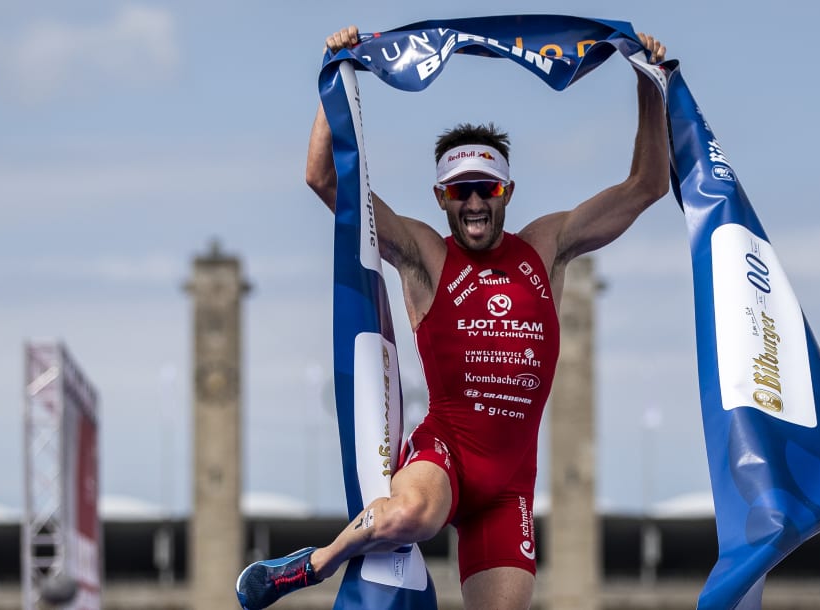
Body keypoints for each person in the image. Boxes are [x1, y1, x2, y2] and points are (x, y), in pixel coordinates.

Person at [237, 24, 669, 610]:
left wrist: (649, 81)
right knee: (412, 513)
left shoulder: (545, 246)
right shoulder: (426, 254)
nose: (473, 201)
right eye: (459, 190)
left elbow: (647, 184)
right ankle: (311, 565)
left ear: (507, 192)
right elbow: (324, 179)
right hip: (445, 456)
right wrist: (336, 74)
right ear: (441, 197)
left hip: (509, 487)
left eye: (484, 188)